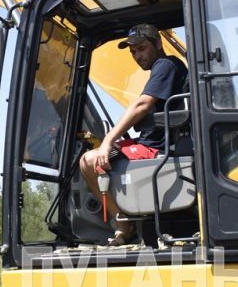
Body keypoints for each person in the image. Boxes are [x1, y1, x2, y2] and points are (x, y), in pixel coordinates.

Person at [79, 23, 188, 245]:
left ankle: (124, 225)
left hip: (157, 147)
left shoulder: (166, 64)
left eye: (141, 48)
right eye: (133, 52)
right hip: (153, 141)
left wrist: (109, 140)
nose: (137, 55)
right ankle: (126, 221)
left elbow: (142, 105)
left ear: (158, 43)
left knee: (88, 162)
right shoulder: (166, 68)